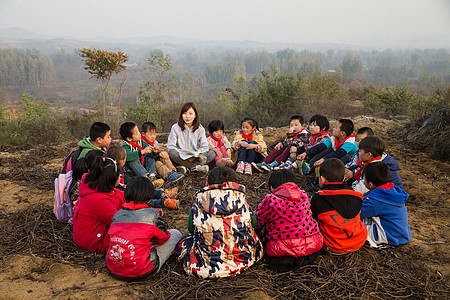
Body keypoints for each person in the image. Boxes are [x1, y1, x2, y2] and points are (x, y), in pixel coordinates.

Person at [176, 166, 263, 278]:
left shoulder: (198, 204)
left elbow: (191, 230)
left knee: (184, 239)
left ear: (207, 183)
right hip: (245, 259)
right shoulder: (242, 201)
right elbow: (254, 223)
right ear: (234, 184)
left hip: (207, 267)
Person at [106, 177, 182, 281]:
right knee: (176, 234)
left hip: (114, 269)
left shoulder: (117, 214)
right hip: (143, 271)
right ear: (149, 195)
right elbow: (163, 239)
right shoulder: (153, 214)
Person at [255, 169, 324, 272]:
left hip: (281, 252)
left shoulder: (270, 201)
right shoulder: (303, 197)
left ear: (272, 188)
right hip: (311, 247)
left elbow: (258, 222)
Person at [310, 158, 367, 254]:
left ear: (322, 179)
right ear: (344, 179)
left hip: (334, 245)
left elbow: (313, 220)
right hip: (358, 241)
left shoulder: (318, 198)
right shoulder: (355, 195)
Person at [73, 157, 125, 253]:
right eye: (119, 175)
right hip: (93, 240)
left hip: (97, 232)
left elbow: (123, 195)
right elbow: (120, 221)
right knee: (136, 236)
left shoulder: (98, 187)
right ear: (111, 179)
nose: (120, 176)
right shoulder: (98, 201)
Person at [107, 145, 179, 210]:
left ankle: (163, 193)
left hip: (125, 190)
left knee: (141, 190)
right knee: (142, 198)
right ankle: (165, 202)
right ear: (122, 161)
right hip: (126, 196)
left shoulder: (114, 170)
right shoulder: (115, 173)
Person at [360, 162, 411, 248]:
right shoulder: (391, 190)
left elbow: (355, 212)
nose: (363, 181)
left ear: (370, 184)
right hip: (401, 233)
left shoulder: (376, 200)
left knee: (354, 224)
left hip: (390, 236)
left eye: (364, 178)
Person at [167, 102, 215, 173]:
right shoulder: (175, 128)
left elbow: (204, 147)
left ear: (195, 115)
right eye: (185, 113)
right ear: (181, 115)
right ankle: (196, 167)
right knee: (172, 153)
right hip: (180, 156)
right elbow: (170, 146)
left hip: (195, 157)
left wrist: (195, 155)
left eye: (190, 113)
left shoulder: (200, 129)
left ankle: (186, 167)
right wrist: (185, 156)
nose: (187, 116)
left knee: (212, 154)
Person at [119, 122, 164, 189]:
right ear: (129, 139)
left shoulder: (140, 142)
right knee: (133, 160)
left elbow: (148, 152)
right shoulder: (125, 146)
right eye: (137, 133)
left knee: (149, 157)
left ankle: (152, 176)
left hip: (141, 167)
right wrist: (142, 152)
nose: (140, 134)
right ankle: (146, 178)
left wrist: (154, 152)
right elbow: (127, 156)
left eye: (139, 132)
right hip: (131, 172)